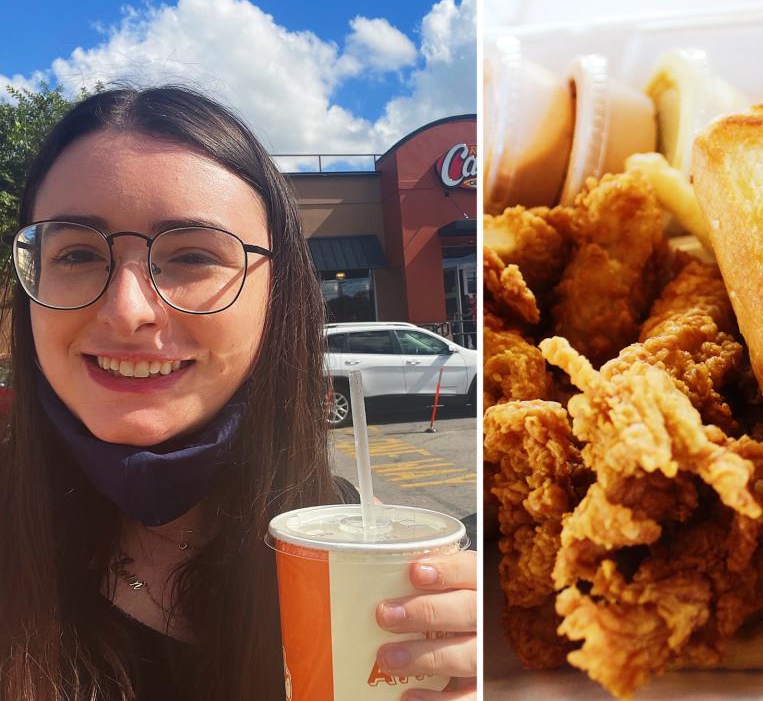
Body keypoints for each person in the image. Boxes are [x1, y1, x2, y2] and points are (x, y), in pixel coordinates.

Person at [0, 86, 476, 701]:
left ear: (278, 299)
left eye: (192, 255)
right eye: (79, 254)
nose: (126, 311)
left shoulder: (340, 529)